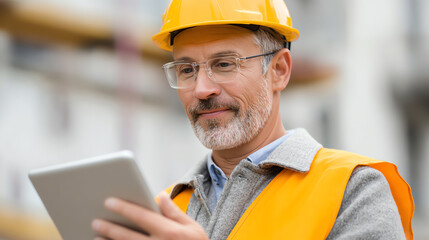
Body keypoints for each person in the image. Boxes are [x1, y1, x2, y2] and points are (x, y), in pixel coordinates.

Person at [91, 0, 414, 239]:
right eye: (187, 70)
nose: (202, 89)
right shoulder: (165, 209)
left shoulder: (352, 189)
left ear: (279, 71)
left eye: (224, 64)